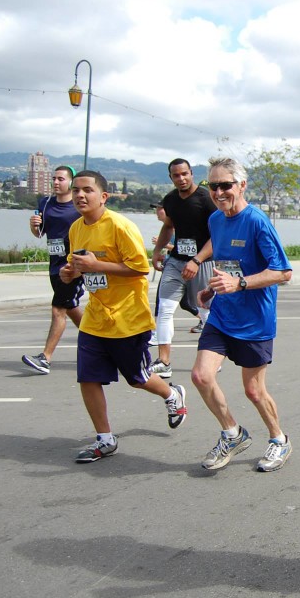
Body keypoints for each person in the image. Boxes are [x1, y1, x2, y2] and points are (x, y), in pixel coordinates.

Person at [59, 170, 188, 463]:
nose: (80, 195)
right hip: (95, 318)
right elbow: (79, 265)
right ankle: (105, 439)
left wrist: (97, 265)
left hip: (127, 318)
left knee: (137, 378)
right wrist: (71, 273)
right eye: (76, 190)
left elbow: (140, 268)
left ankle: (172, 395)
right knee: (88, 379)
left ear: (103, 196)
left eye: (87, 190)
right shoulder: (76, 228)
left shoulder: (120, 226)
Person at [190, 157, 294, 473]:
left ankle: (279, 440)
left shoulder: (257, 221)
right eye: (213, 186)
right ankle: (232, 433)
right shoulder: (216, 221)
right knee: (201, 376)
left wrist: (240, 283)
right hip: (222, 314)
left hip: (254, 321)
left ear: (241, 185)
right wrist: (213, 289)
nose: (219, 192)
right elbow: (226, 262)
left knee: (253, 390)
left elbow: (283, 272)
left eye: (226, 185)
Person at [148, 158, 216, 378]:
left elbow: (218, 235)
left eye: (185, 174)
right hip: (176, 261)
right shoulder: (170, 200)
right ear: (171, 177)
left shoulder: (206, 198)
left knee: (207, 311)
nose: (181, 178)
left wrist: (196, 261)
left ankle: (213, 357)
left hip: (203, 262)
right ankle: (164, 361)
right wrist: (157, 251)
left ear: (191, 174)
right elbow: (168, 226)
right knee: (165, 309)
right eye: (176, 175)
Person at [22, 165, 84, 374]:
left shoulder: (78, 206)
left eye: (61, 179)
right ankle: (104, 345)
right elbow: (40, 233)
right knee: (71, 307)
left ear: (71, 182)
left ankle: (45, 358)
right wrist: (33, 225)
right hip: (54, 264)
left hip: (72, 265)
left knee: (58, 309)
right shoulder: (45, 202)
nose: (56, 183)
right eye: (54, 179)